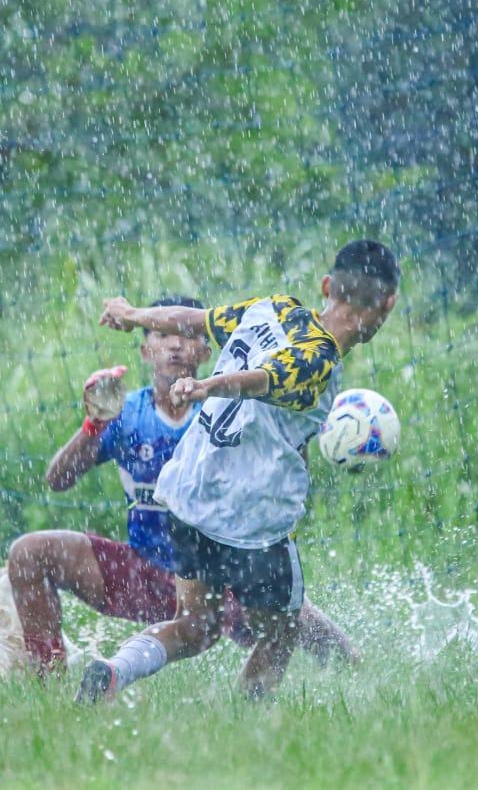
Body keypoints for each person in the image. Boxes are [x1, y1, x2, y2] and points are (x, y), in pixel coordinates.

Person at [76, 240, 399, 703]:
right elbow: (265, 380)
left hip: (189, 491)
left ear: (326, 286)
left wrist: (134, 314)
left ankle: (113, 672)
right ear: (388, 303)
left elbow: (193, 320)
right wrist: (209, 385)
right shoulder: (321, 360)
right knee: (283, 629)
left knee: (193, 626)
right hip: (249, 519)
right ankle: (248, 728)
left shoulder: (274, 308)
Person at [0, 297, 357, 682]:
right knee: (28, 552)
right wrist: (93, 425)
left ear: (207, 351)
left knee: (292, 616)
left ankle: (355, 671)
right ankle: (49, 683)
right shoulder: (127, 413)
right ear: (146, 350)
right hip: (142, 570)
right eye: (161, 335)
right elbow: (57, 480)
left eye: (184, 335)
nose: (175, 345)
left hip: (215, 573)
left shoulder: (229, 413)